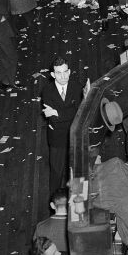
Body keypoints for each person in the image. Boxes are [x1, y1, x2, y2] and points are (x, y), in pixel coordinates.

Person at [41, 58, 85, 195]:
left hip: (75, 136)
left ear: (69, 71)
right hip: (57, 140)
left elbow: (79, 111)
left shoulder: (76, 86)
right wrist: (67, 114)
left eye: (65, 72)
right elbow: (54, 120)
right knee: (56, 172)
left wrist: (57, 112)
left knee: (77, 170)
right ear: (53, 75)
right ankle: (55, 202)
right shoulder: (47, 92)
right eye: (59, 73)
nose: (63, 76)